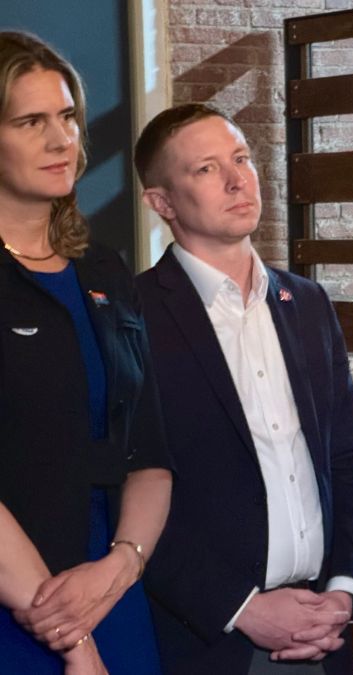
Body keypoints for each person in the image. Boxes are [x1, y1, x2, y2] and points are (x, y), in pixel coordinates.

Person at [132, 104, 353, 674]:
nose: (238, 179)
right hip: (207, 638)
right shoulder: (130, 314)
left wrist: (345, 588)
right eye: (207, 169)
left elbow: (349, 460)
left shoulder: (307, 303)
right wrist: (238, 607)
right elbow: (125, 491)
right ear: (161, 203)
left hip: (324, 627)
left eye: (241, 159)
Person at [0, 30, 173, 675]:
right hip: (26, 609)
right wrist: (70, 637)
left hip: (109, 593)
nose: (61, 139)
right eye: (30, 121)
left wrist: (122, 564)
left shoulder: (104, 268)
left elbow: (150, 451)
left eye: (68, 116)